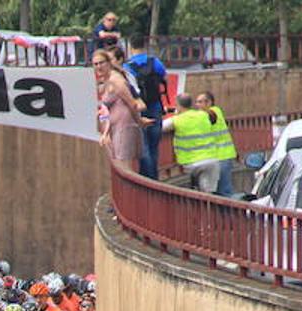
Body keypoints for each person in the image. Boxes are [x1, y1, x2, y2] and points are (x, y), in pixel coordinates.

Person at [161, 92, 224, 193]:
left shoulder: (176, 120)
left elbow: (159, 128)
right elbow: (212, 116)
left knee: (197, 195)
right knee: (211, 194)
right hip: (212, 160)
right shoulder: (203, 115)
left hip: (192, 163)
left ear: (178, 105)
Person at [124, 35, 168, 179]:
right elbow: (164, 78)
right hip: (155, 106)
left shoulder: (128, 67)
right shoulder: (155, 62)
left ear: (130, 48)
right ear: (145, 46)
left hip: (138, 109)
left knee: (144, 147)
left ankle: (148, 179)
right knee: (154, 146)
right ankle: (153, 178)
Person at [93, 49, 140, 173]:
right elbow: (107, 110)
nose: (98, 66)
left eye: (101, 63)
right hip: (114, 128)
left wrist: (140, 121)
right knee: (119, 167)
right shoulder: (106, 81)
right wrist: (106, 132)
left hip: (124, 127)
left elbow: (133, 104)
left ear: (109, 63)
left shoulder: (116, 80)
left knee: (124, 168)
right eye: (95, 64)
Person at [198, 91, 237, 197]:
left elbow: (209, 116)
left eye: (201, 102)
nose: (198, 105)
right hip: (217, 157)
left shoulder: (214, 112)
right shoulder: (208, 114)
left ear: (209, 102)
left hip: (222, 156)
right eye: (198, 102)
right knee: (219, 191)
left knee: (224, 190)